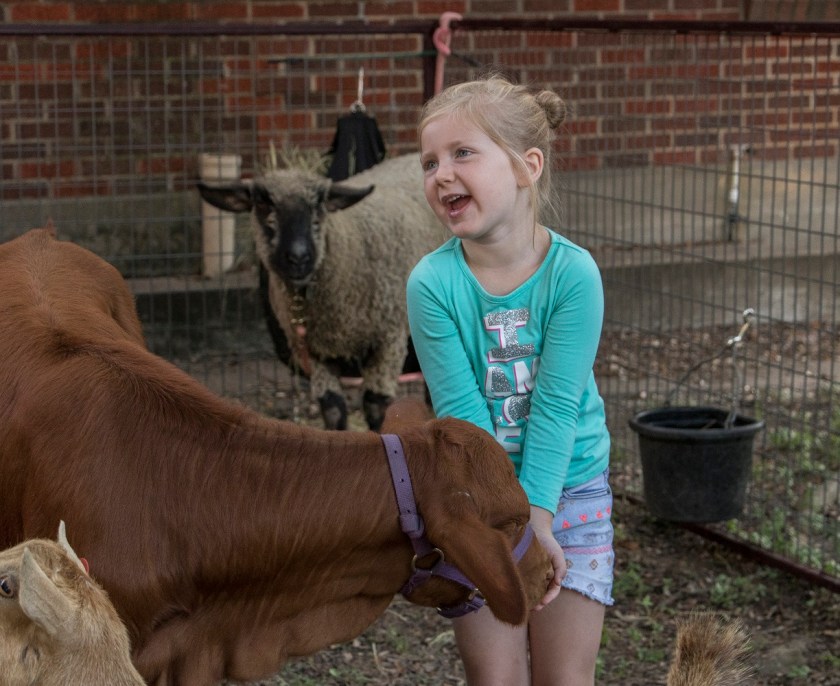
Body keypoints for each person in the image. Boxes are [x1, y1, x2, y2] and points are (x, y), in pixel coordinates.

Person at [406, 74, 614, 686]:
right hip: (478, 503)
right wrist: (505, 522)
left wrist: (539, 519)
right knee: (494, 678)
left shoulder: (573, 275)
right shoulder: (432, 284)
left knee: (564, 678)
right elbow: (461, 412)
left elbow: (557, 406)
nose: (441, 174)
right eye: (430, 162)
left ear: (528, 166)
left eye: (462, 153)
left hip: (570, 495)